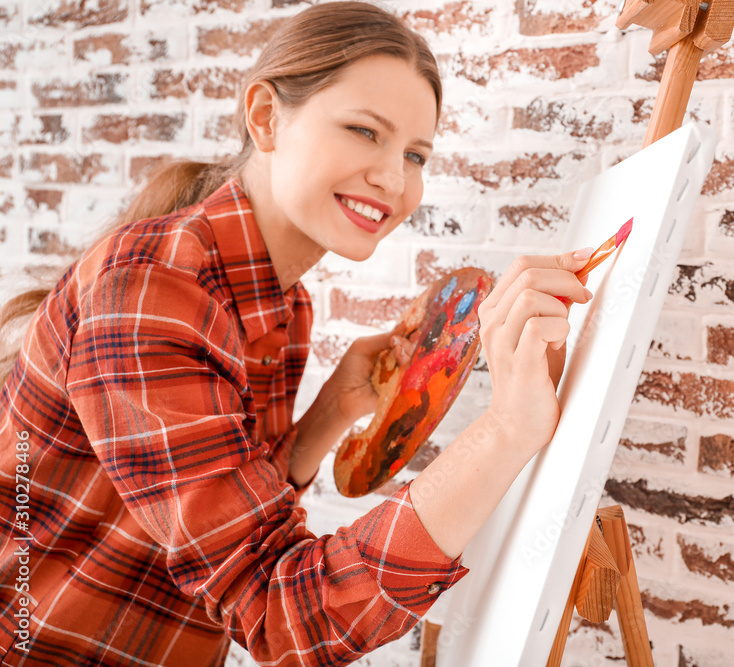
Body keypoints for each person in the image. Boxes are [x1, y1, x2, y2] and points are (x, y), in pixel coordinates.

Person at [0, 2, 594, 665]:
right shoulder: (153, 289)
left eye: (416, 153)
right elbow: (281, 613)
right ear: (265, 117)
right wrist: (507, 428)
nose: (394, 180)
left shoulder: (286, 302)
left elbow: (222, 517)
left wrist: (330, 416)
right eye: (364, 131)